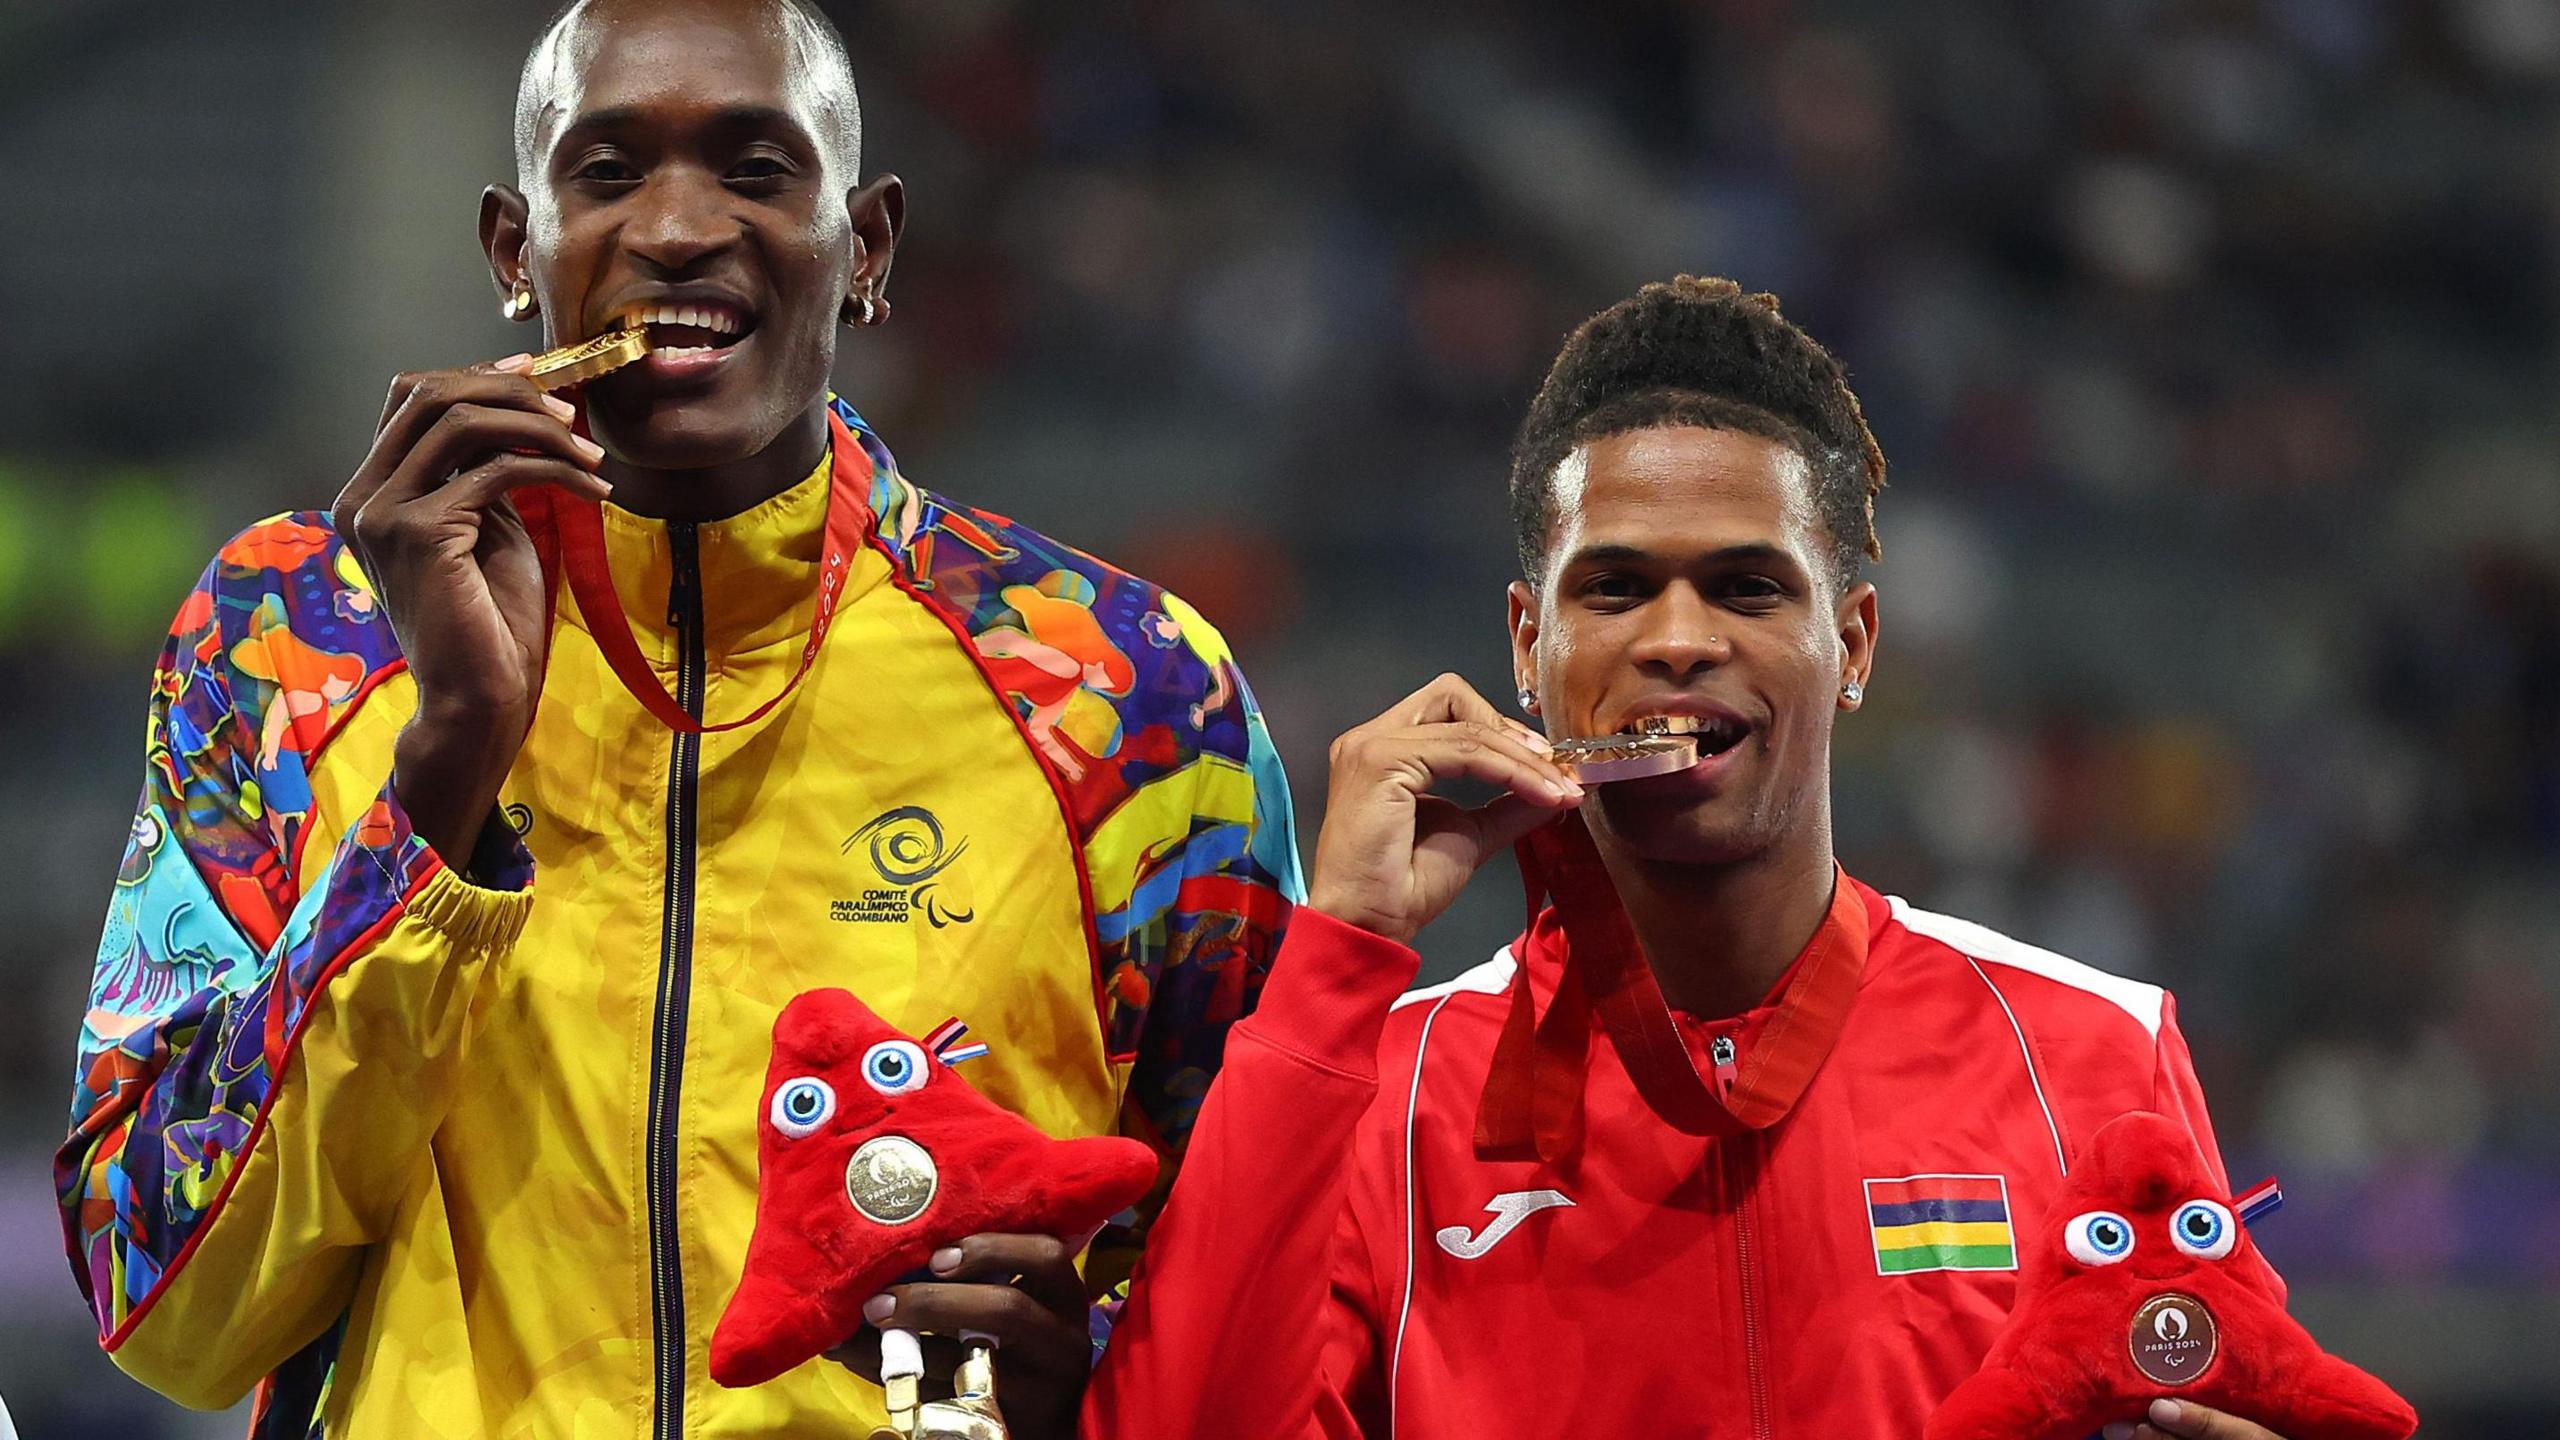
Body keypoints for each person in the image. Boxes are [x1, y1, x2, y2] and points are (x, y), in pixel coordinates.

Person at [54, 2, 1297, 1435]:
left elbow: (1271, 1290)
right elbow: (162, 1311)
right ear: (515, 253)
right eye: (606, 172)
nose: (679, 228)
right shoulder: (296, 639)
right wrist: (447, 766)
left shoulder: (1124, 688)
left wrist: (1096, 1383)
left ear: (870, 248)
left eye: (758, 169)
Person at [1085, 277, 2306, 1440]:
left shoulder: (2092, 1058)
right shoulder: (1379, 1098)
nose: (1679, 641)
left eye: (1748, 590)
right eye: (1613, 589)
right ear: (1528, 643)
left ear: (1854, 643)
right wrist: (1338, 956)